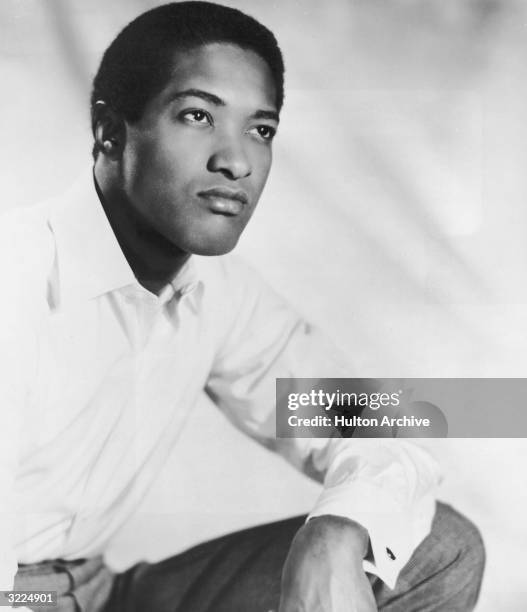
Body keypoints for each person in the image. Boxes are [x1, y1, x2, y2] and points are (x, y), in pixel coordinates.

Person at [0, 2, 485, 611]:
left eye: (260, 130)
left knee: (440, 548)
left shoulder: (219, 289)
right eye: (198, 115)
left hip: (100, 592)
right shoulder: (14, 279)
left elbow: (376, 418)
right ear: (111, 130)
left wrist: (338, 532)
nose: (236, 163)